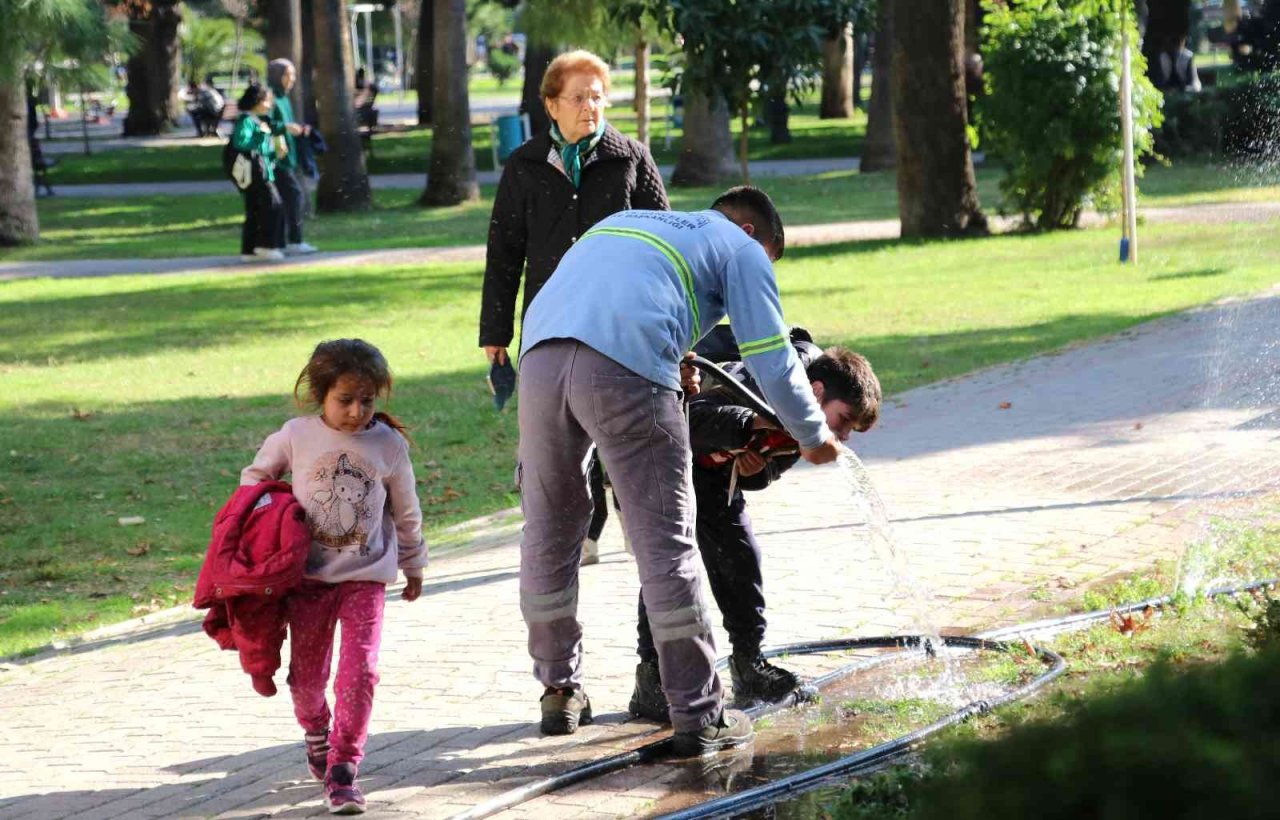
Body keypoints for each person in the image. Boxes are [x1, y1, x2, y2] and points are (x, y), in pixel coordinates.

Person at [515, 185, 843, 757]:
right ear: (751, 235)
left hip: (540, 359)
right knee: (665, 542)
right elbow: (770, 355)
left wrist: (674, 360)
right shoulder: (741, 250)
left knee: (550, 527)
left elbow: (610, 298)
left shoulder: (632, 222)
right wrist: (814, 435)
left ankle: (559, 691)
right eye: (769, 262)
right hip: (622, 368)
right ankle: (698, 714)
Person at [480, 49, 669, 565]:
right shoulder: (523, 165)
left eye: (597, 96)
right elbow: (504, 252)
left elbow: (663, 244)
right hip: (550, 319)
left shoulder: (630, 157)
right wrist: (494, 330)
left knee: (620, 421)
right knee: (561, 429)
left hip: (620, 320)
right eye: (578, 97)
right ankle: (581, 531)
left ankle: (635, 520)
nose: (591, 106)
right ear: (551, 104)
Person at [630, 338, 882, 722]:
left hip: (715, 476)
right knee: (670, 568)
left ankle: (749, 665)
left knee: (740, 559)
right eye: (844, 420)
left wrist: (754, 470)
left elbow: (770, 469)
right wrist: (749, 424)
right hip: (664, 462)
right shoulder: (768, 378)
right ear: (817, 392)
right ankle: (651, 680)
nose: (843, 435)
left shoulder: (806, 415)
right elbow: (690, 417)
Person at [242, 338, 427, 815]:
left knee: (359, 673)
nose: (356, 412)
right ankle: (317, 732)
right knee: (306, 681)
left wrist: (413, 562)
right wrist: (269, 520)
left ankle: (344, 768)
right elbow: (254, 480)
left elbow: (407, 512)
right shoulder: (295, 435)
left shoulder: (388, 445)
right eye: (345, 400)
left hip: (366, 577)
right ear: (319, 394)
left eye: (367, 400)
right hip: (306, 581)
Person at [267, 59, 319, 255]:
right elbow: (266, 124)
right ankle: (293, 241)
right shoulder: (271, 97)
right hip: (276, 158)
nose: (293, 79)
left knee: (286, 198)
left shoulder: (284, 98)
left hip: (287, 155)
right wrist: (287, 128)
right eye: (290, 75)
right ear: (279, 76)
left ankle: (283, 242)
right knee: (293, 195)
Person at [230, 83, 286, 262]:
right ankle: (265, 246)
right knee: (272, 205)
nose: (269, 105)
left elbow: (263, 151)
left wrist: (276, 155)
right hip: (255, 173)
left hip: (262, 170)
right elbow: (241, 143)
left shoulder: (256, 120)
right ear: (257, 101)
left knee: (255, 210)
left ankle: (250, 249)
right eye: (267, 101)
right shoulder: (247, 121)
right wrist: (261, 135)